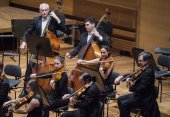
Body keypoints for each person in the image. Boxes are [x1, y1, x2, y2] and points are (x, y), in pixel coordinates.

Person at [19, 2, 69, 97]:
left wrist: (57, 18)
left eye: (46, 10)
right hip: (39, 47)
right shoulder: (36, 20)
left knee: (50, 68)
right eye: (42, 10)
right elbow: (28, 32)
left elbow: (65, 30)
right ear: (39, 11)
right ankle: (25, 89)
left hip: (50, 50)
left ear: (48, 10)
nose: (44, 12)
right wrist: (24, 42)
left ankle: (49, 89)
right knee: (30, 65)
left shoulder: (54, 20)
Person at [115, 51, 160, 117]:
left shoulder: (148, 73)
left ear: (146, 61)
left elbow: (140, 89)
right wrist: (122, 76)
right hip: (139, 95)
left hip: (144, 98)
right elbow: (134, 74)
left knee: (124, 104)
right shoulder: (144, 67)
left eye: (140, 61)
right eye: (138, 60)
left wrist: (131, 85)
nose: (138, 62)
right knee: (120, 99)